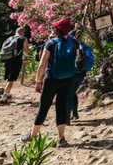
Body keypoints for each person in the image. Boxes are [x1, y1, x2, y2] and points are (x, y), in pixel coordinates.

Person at [22, 17, 78, 146]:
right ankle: (61, 138)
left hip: (52, 78)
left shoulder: (51, 43)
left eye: (53, 27)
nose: (51, 29)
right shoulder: (74, 41)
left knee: (44, 106)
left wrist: (38, 81)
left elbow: (42, 64)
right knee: (61, 106)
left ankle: (33, 136)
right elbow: (77, 57)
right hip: (69, 78)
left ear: (57, 30)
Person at [66, 29, 92, 124]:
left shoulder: (72, 46)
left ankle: (66, 118)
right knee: (73, 92)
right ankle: (75, 114)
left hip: (73, 73)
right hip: (82, 73)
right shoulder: (85, 46)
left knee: (68, 94)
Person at [0, 27, 30, 105]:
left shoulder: (9, 39)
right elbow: (26, 51)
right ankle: (4, 98)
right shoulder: (23, 39)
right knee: (11, 79)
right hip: (15, 61)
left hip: (7, 59)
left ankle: (8, 95)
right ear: (22, 32)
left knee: (9, 78)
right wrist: (30, 50)